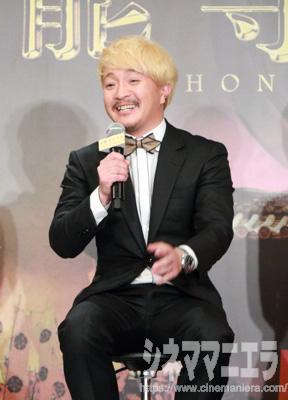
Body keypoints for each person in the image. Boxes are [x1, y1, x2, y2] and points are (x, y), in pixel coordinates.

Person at [49, 36, 234, 399]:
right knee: (78, 328)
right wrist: (101, 195)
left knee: (212, 335)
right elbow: (62, 242)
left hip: (181, 297)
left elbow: (217, 228)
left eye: (133, 80)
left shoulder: (204, 154)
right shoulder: (87, 160)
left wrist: (183, 256)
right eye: (110, 84)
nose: (120, 93)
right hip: (114, 298)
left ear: (164, 90)